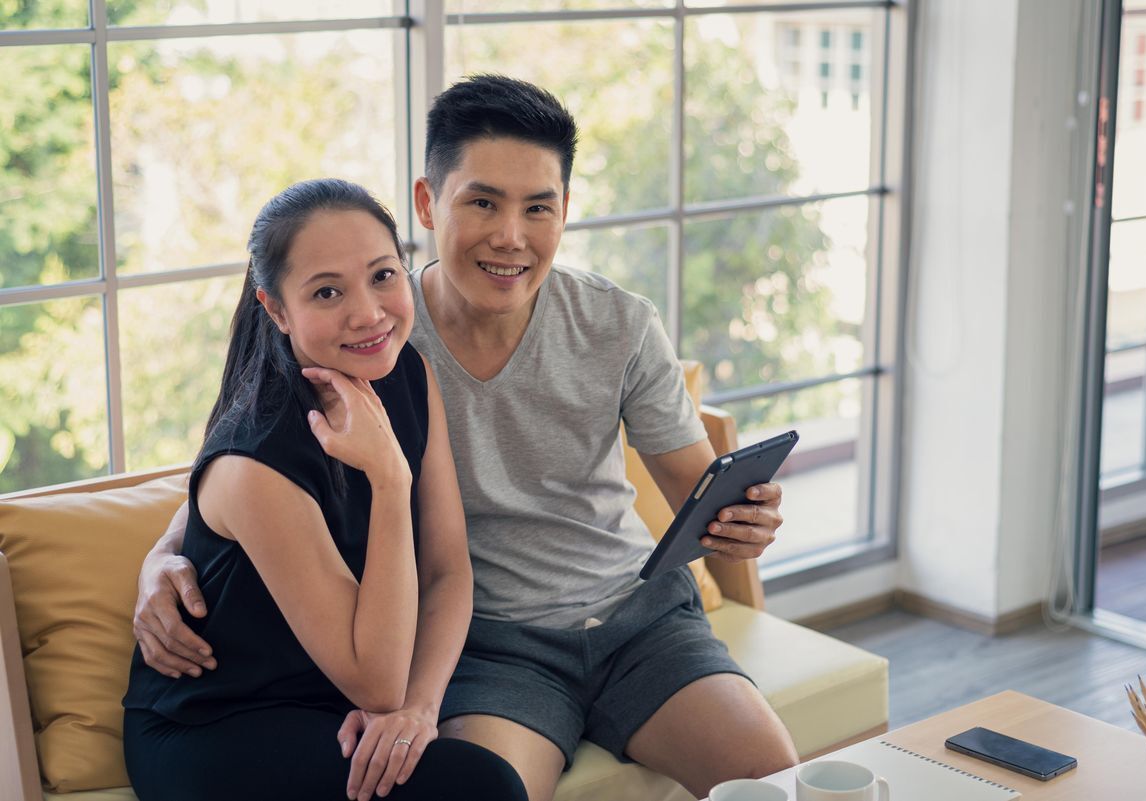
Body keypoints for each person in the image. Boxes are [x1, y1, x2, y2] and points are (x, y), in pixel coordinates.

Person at [134, 76, 798, 801]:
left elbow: (702, 496)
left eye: (537, 207)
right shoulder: (382, 336)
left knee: (780, 782)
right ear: (428, 203)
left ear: (564, 210)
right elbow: (250, 461)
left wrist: (743, 523)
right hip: (488, 649)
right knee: (484, 790)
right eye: (482, 202)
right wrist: (164, 553)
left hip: (642, 623)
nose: (510, 236)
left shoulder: (611, 325)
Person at [121, 178, 527, 801]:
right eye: (327, 292)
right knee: (481, 787)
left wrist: (419, 710)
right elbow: (377, 684)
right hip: (223, 722)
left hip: (340, 693)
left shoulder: (406, 372)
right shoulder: (256, 460)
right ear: (276, 309)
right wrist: (389, 478)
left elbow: (448, 571)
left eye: (383, 275)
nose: (368, 313)